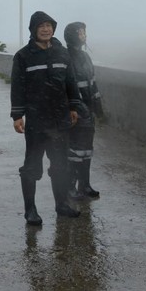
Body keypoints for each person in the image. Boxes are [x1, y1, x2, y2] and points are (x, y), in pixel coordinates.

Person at [11, 11, 82, 223]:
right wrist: (17, 115)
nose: (46, 29)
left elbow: (71, 81)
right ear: (33, 29)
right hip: (36, 120)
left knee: (60, 164)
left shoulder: (62, 53)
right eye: (41, 26)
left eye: (49, 25)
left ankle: (61, 205)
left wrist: (74, 106)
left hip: (60, 119)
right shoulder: (23, 56)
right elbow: (17, 87)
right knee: (31, 166)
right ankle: (30, 210)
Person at [63, 22, 105, 199]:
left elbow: (92, 83)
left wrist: (98, 107)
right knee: (74, 150)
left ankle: (85, 185)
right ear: (72, 35)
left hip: (88, 110)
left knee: (87, 149)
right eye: (80, 33)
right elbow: (67, 87)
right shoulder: (66, 57)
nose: (84, 35)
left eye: (84, 32)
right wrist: (75, 108)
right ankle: (70, 186)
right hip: (76, 110)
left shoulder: (85, 57)